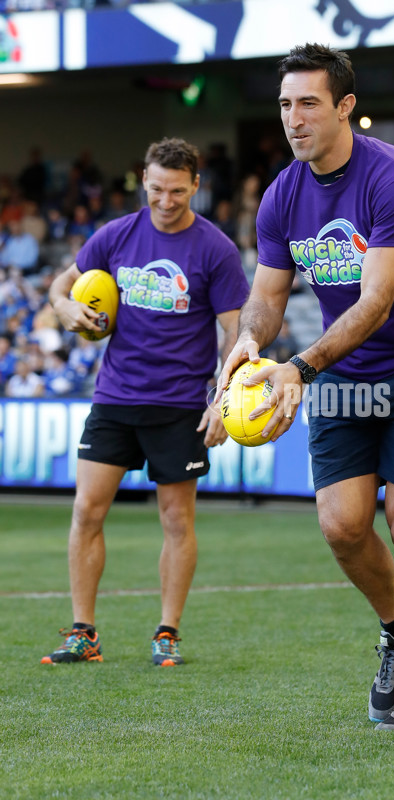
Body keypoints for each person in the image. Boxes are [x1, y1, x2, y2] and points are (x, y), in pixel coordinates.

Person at [217, 44, 394, 731]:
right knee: (340, 524)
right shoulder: (282, 194)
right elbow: (267, 298)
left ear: (346, 107)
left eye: (308, 104)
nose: (293, 120)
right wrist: (248, 341)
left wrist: (298, 368)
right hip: (345, 377)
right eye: (284, 105)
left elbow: (376, 301)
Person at [41, 137, 249, 667]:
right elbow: (60, 289)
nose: (165, 200)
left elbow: (237, 333)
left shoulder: (216, 250)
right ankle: (83, 633)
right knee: (87, 511)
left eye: (177, 191)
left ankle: (167, 633)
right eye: (156, 189)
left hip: (180, 404)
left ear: (196, 186)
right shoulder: (115, 235)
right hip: (114, 396)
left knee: (177, 520)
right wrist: (65, 309)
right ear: (144, 182)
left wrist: (222, 400)